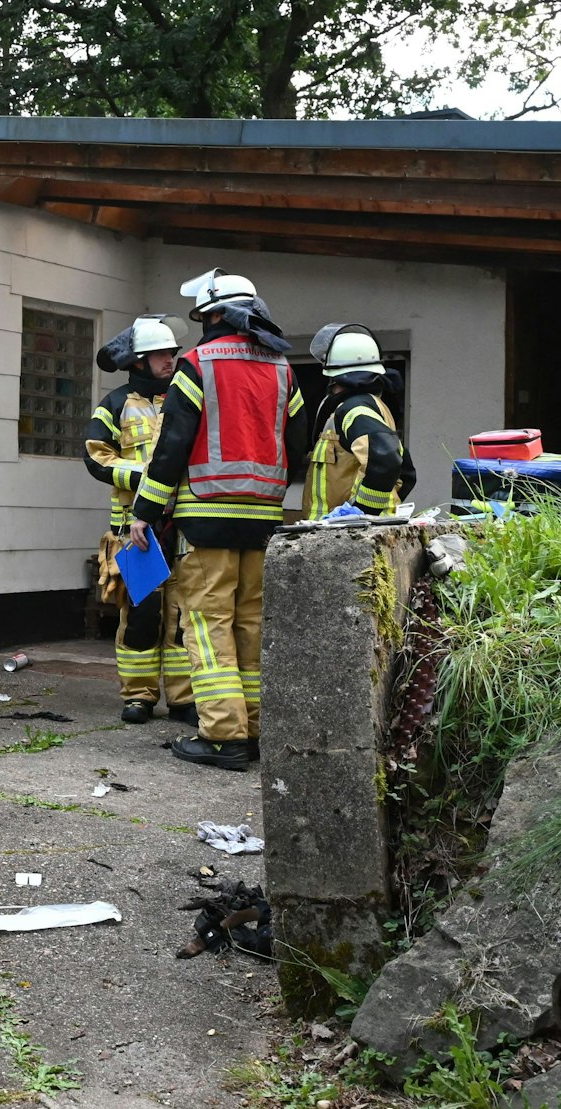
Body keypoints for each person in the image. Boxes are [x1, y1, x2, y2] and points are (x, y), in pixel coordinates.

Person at [127, 269, 309, 772]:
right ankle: (251, 730)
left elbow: (172, 446)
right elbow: (297, 444)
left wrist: (145, 510)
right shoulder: (282, 367)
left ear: (213, 315)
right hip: (263, 518)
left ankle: (223, 737)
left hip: (205, 517)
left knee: (207, 627)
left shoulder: (197, 363)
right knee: (250, 623)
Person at [84, 315, 196, 726]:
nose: (170, 360)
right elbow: (95, 456)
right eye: (160, 355)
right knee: (142, 614)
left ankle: (184, 700)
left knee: (183, 615)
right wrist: (141, 478)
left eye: (172, 353)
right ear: (137, 362)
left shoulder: (187, 396)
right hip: (135, 529)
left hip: (182, 523)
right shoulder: (114, 404)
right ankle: (138, 697)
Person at [303, 323, 416, 520]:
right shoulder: (372, 407)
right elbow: (405, 473)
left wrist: (361, 512)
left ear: (337, 379)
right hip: (349, 534)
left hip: (354, 535)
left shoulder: (354, 410)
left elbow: (387, 459)